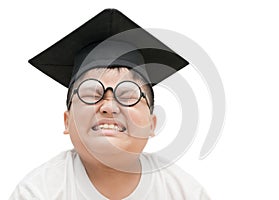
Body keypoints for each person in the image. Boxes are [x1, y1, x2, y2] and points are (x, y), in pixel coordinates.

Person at [9, 9, 210, 200]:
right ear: (67, 121)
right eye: (91, 93)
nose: (109, 106)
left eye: (128, 95)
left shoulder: (184, 193)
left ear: (152, 123)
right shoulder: (38, 192)